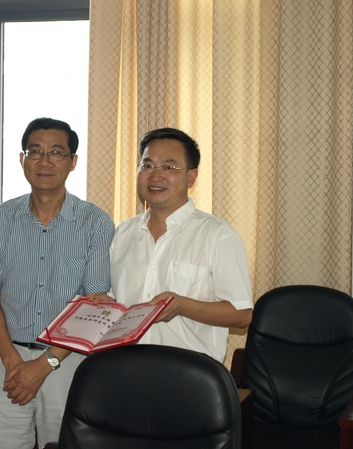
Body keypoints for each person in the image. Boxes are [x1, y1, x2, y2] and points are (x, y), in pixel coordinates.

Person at [0, 117, 114, 449]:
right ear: (22, 159)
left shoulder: (96, 223)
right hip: (7, 358)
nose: (44, 161)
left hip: (68, 361)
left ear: (73, 162)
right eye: (35, 151)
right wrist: (12, 360)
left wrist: (45, 364)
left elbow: (95, 305)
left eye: (56, 152)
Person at [100, 127, 253, 362]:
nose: (155, 176)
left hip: (189, 373)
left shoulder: (218, 235)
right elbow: (116, 301)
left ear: (191, 176)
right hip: (126, 367)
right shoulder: (123, 232)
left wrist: (182, 306)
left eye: (169, 167)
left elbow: (241, 315)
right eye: (147, 165)